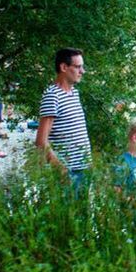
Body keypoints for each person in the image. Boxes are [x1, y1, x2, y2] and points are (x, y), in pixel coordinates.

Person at [36, 48, 92, 185]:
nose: (82, 71)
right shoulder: (52, 96)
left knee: (82, 207)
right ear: (63, 67)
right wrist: (61, 169)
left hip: (83, 170)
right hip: (67, 174)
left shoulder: (74, 93)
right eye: (78, 67)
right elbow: (41, 141)